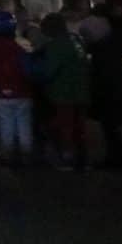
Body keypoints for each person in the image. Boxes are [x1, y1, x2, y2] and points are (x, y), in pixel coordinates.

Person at [78, 3, 122, 170]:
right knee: (112, 129)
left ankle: (118, 160)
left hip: (107, 94)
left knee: (111, 129)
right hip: (112, 93)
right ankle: (118, 158)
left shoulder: (101, 50)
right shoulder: (110, 44)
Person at [36, 12, 90, 170]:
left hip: (64, 92)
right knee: (80, 125)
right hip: (82, 90)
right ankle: (83, 158)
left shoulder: (56, 46)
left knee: (64, 125)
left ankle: (67, 157)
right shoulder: (76, 40)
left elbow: (48, 71)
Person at [0, 10, 34, 166]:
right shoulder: (17, 49)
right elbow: (28, 69)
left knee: (5, 123)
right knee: (24, 122)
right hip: (21, 92)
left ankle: (9, 152)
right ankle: (27, 150)